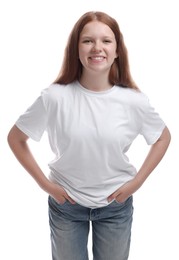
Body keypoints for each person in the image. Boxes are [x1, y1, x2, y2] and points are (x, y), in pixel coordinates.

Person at [7, 11, 171, 260]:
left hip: (115, 206)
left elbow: (162, 137)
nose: (97, 48)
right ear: (76, 48)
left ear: (117, 50)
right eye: (87, 40)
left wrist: (136, 183)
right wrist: (45, 185)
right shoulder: (55, 97)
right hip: (67, 206)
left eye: (106, 40)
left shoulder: (133, 101)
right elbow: (16, 138)